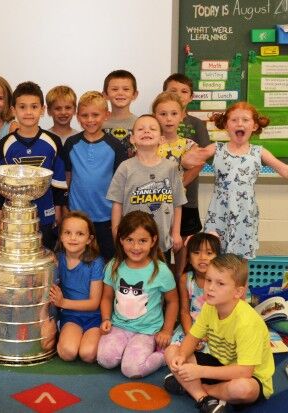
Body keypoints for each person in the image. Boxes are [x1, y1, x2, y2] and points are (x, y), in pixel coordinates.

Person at [183, 102, 288, 259]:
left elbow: (286, 170)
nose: (239, 123)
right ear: (226, 125)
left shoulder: (259, 152)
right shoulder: (216, 148)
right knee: (214, 255)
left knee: (240, 260)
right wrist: (189, 155)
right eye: (234, 120)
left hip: (245, 214)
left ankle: (240, 283)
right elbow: (188, 161)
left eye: (245, 120)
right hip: (219, 212)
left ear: (254, 126)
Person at [163, 254, 274, 413]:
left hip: (248, 377)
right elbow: (193, 337)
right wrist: (181, 356)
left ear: (238, 292)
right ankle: (203, 398)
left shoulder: (248, 322)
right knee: (171, 351)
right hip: (219, 365)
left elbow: (245, 371)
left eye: (220, 283)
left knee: (242, 389)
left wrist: (200, 372)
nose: (210, 288)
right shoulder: (210, 306)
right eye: (208, 280)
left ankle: (195, 388)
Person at [97, 211, 178, 378]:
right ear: (121, 240)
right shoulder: (114, 265)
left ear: (153, 240)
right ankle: (128, 349)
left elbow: (173, 302)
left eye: (142, 241)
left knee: (132, 370)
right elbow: (106, 297)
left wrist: (167, 331)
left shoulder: (161, 271)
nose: (135, 247)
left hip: (147, 331)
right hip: (119, 326)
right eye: (129, 240)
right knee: (105, 360)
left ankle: (162, 355)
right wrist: (106, 318)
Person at [0, 81, 67, 250]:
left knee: (44, 257)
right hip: (14, 217)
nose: (28, 112)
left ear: (43, 109)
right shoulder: (6, 143)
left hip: (45, 216)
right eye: (22, 107)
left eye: (34, 107)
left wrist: (59, 215)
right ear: (13, 110)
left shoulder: (52, 141)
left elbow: (59, 184)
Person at [107, 115, 186, 261]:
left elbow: (178, 203)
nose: (146, 132)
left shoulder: (171, 168)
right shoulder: (125, 167)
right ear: (132, 138)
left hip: (162, 241)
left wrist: (176, 233)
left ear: (161, 139)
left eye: (152, 129)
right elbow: (117, 203)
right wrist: (116, 230)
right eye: (141, 129)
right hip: (132, 241)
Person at [62, 91, 127, 261]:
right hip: (77, 217)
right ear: (78, 117)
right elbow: (67, 178)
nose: (90, 120)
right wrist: (65, 209)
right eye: (85, 115)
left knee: (108, 261)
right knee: (79, 260)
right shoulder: (71, 143)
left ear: (107, 115)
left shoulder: (116, 146)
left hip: (106, 217)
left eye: (95, 115)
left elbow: (120, 184)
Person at [162, 74, 211, 277]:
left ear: (191, 97)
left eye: (184, 92)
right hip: (158, 198)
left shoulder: (197, 124)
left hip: (187, 197)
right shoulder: (156, 122)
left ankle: (181, 286)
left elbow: (200, 160)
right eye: (173, 91)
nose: (179, 95)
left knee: (183, 243)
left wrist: (179, 186)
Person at [153, 91, 200, 275]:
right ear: (155, 116)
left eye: (174, 114)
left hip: (181, 205)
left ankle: (179, 284)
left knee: (181, 247)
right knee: (158, 249)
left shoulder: (190, 145)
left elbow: (197, 166)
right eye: (162, 114)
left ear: (181, 115)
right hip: (156, 206)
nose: (168, 119)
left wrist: (176, 188)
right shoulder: (151, 143)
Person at [50, 211, 104, 363]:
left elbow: (94, 302)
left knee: (87, 354)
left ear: (89, 239)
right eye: (68, 233)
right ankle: (64, 331)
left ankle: (90, 338)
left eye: (80, 234)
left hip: (94, 317)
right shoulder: (56, 259)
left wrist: (63, 303)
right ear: (61, 236)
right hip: (70, 316)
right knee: (68, 353)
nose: (73, 238)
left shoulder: (96, 262)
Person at [170, 232, 221, 349]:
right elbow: (184, 312)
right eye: (196, 253)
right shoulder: (186, 279)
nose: (202, 257)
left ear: (218, 257)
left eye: (209, 253)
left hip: (217, 329)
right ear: (188, 257)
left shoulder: (222, 279)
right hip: (192, 326)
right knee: (173, 351)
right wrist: (191, 336)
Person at [102, 69, 139, 158]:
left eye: (126, 89)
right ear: (105, 94)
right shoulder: (99, 123)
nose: (120, 93)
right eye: (114, 89)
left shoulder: (139, 123)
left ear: (134, 94)